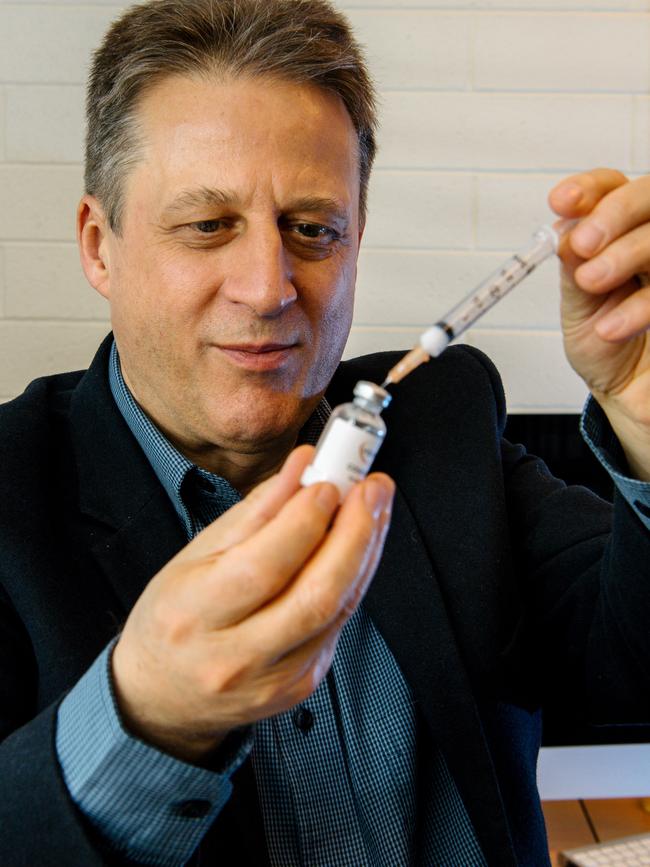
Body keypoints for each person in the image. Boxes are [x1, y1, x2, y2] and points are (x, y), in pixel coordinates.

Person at [0, 0, 649, 864]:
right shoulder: (11, 496)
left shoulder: (440, 427)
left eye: (312, 230)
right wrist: (142, 719)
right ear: (98, 244)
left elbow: (632, 668)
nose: (268, 288)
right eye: (207, 225)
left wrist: (644, 418)